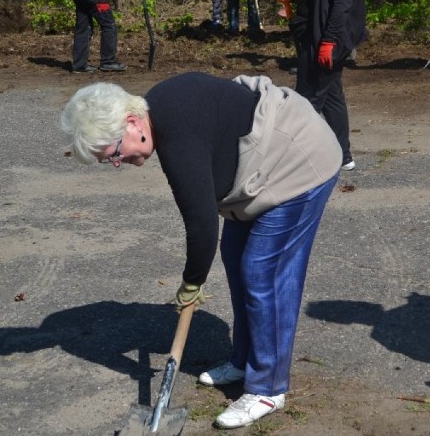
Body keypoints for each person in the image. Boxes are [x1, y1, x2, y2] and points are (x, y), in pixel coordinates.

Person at [59, 72, 341, 429]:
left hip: (298, 160)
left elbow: (202, 224)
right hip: (258, 169)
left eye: (113, 153)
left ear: (131, 122)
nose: (116, 163)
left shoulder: (177, 134)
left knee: (261, 271)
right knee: (236, 258)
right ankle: (245, 360)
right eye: (106, 160)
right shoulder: (159, 115)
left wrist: (192, 283)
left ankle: (267, 387)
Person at [290, 0, 367, 171]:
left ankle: (296, 159)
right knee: (332, 98)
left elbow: (342, 5)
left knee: (308, 99)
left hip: (331, 39)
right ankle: (343, 156)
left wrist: (329, 43)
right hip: (317, 35)